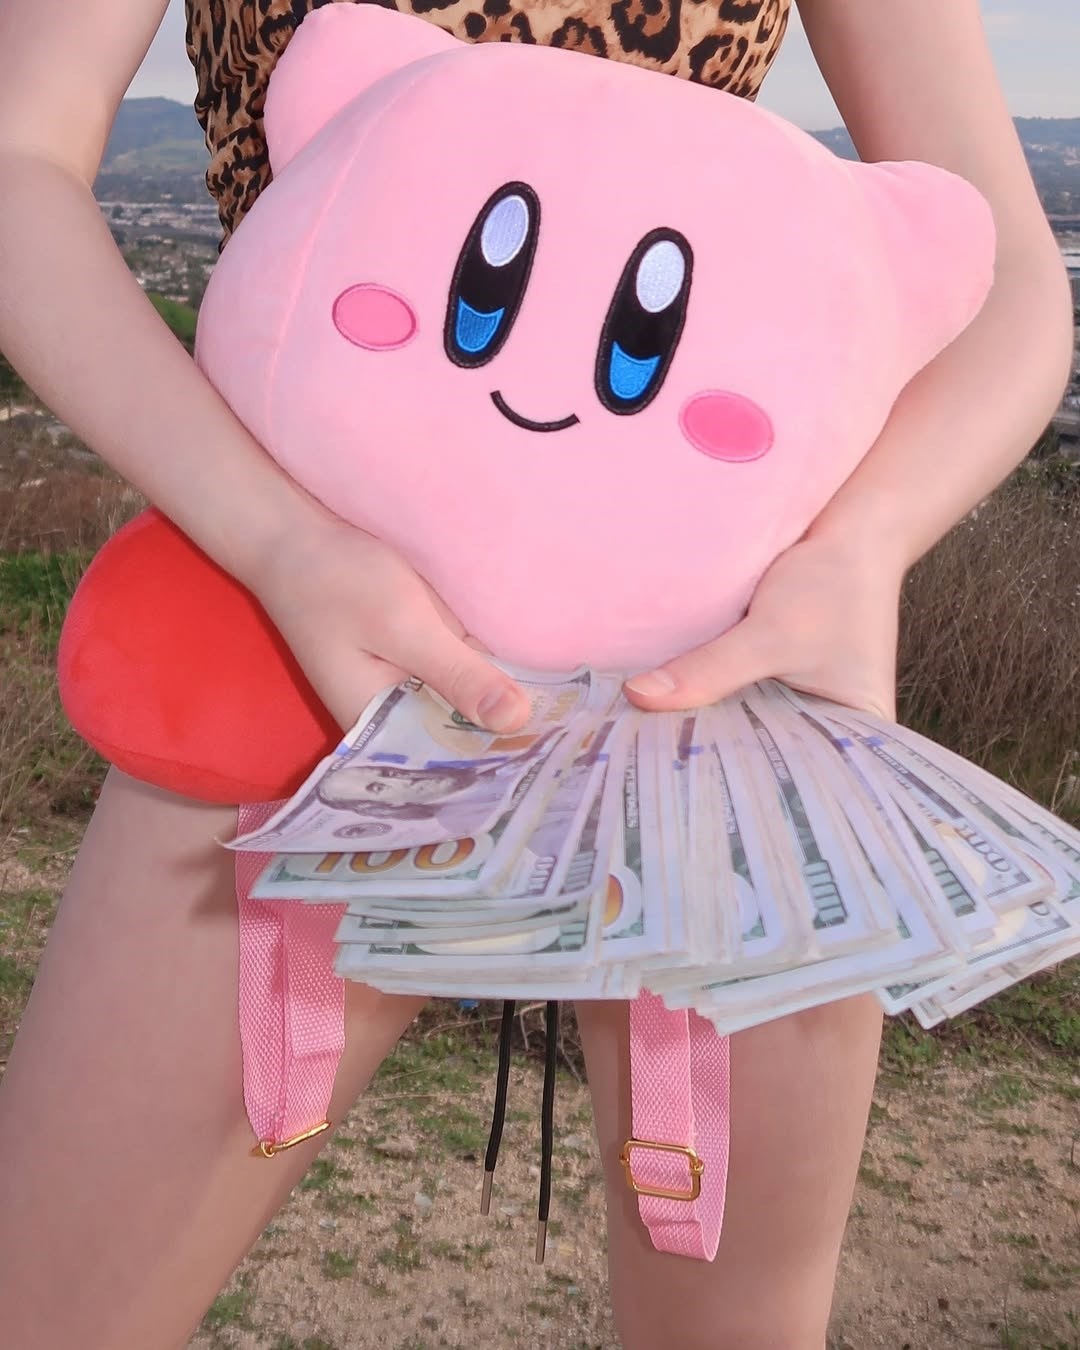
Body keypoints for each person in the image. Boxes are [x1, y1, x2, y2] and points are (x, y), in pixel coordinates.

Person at [0, 2, 1071, 1347]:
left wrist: (863, 546)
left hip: (716, 670)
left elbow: (1006, 276)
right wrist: (276, 545)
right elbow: (18, 159)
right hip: (292, 630)